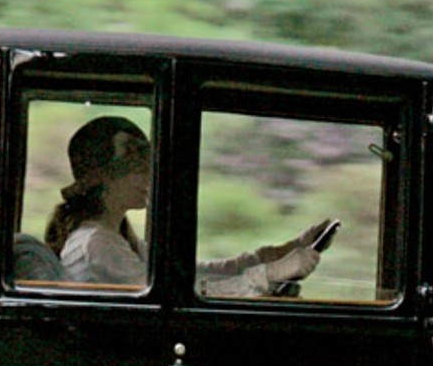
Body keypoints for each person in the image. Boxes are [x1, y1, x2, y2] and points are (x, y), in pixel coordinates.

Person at [44, 116, 328, 298]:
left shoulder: (116, 239)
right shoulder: (97, 245)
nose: (149, 179)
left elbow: (193, 275)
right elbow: (179, 295)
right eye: (138, 170)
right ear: (104, 180)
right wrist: (270, 275)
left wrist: (272, 256)